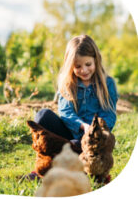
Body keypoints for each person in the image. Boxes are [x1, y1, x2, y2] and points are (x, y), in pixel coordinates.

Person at [28, 34, 119, 180]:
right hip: (70, 132)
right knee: (42, 116)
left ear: (96, 60)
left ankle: (60, 167)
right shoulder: (67, 82)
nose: (84, 70)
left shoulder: (107, 84)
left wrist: (95, 130)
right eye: (78, 66)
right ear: (71, 66)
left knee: (75, 144)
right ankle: (45, 164)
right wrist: (82, 125)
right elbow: (65, 112)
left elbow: (109, 113)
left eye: (88, 64)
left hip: (93, 141)